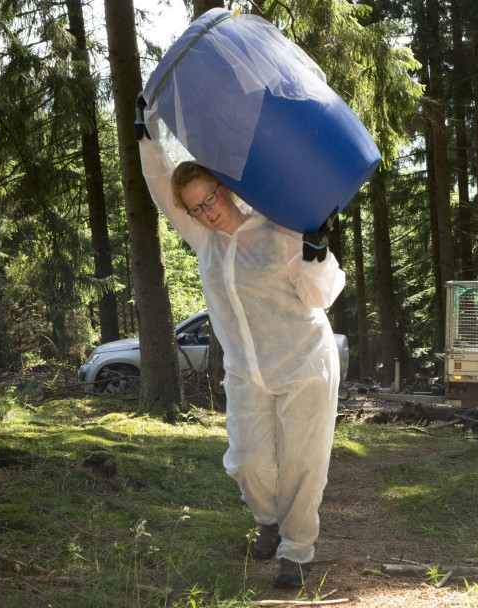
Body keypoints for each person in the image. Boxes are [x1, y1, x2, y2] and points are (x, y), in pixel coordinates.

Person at [138, 134, 345, 589]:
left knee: (301, 462)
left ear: (227, 188)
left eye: (210, 198)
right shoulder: (203, 239)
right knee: (249, 461)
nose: (207, 211)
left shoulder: (278, 227)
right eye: (195, 207)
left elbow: (320, 296)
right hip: (246, 371)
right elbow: (159, 185)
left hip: (304, 363)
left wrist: (316, 254)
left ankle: (296, 551)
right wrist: (147, 139)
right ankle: (268, 520)